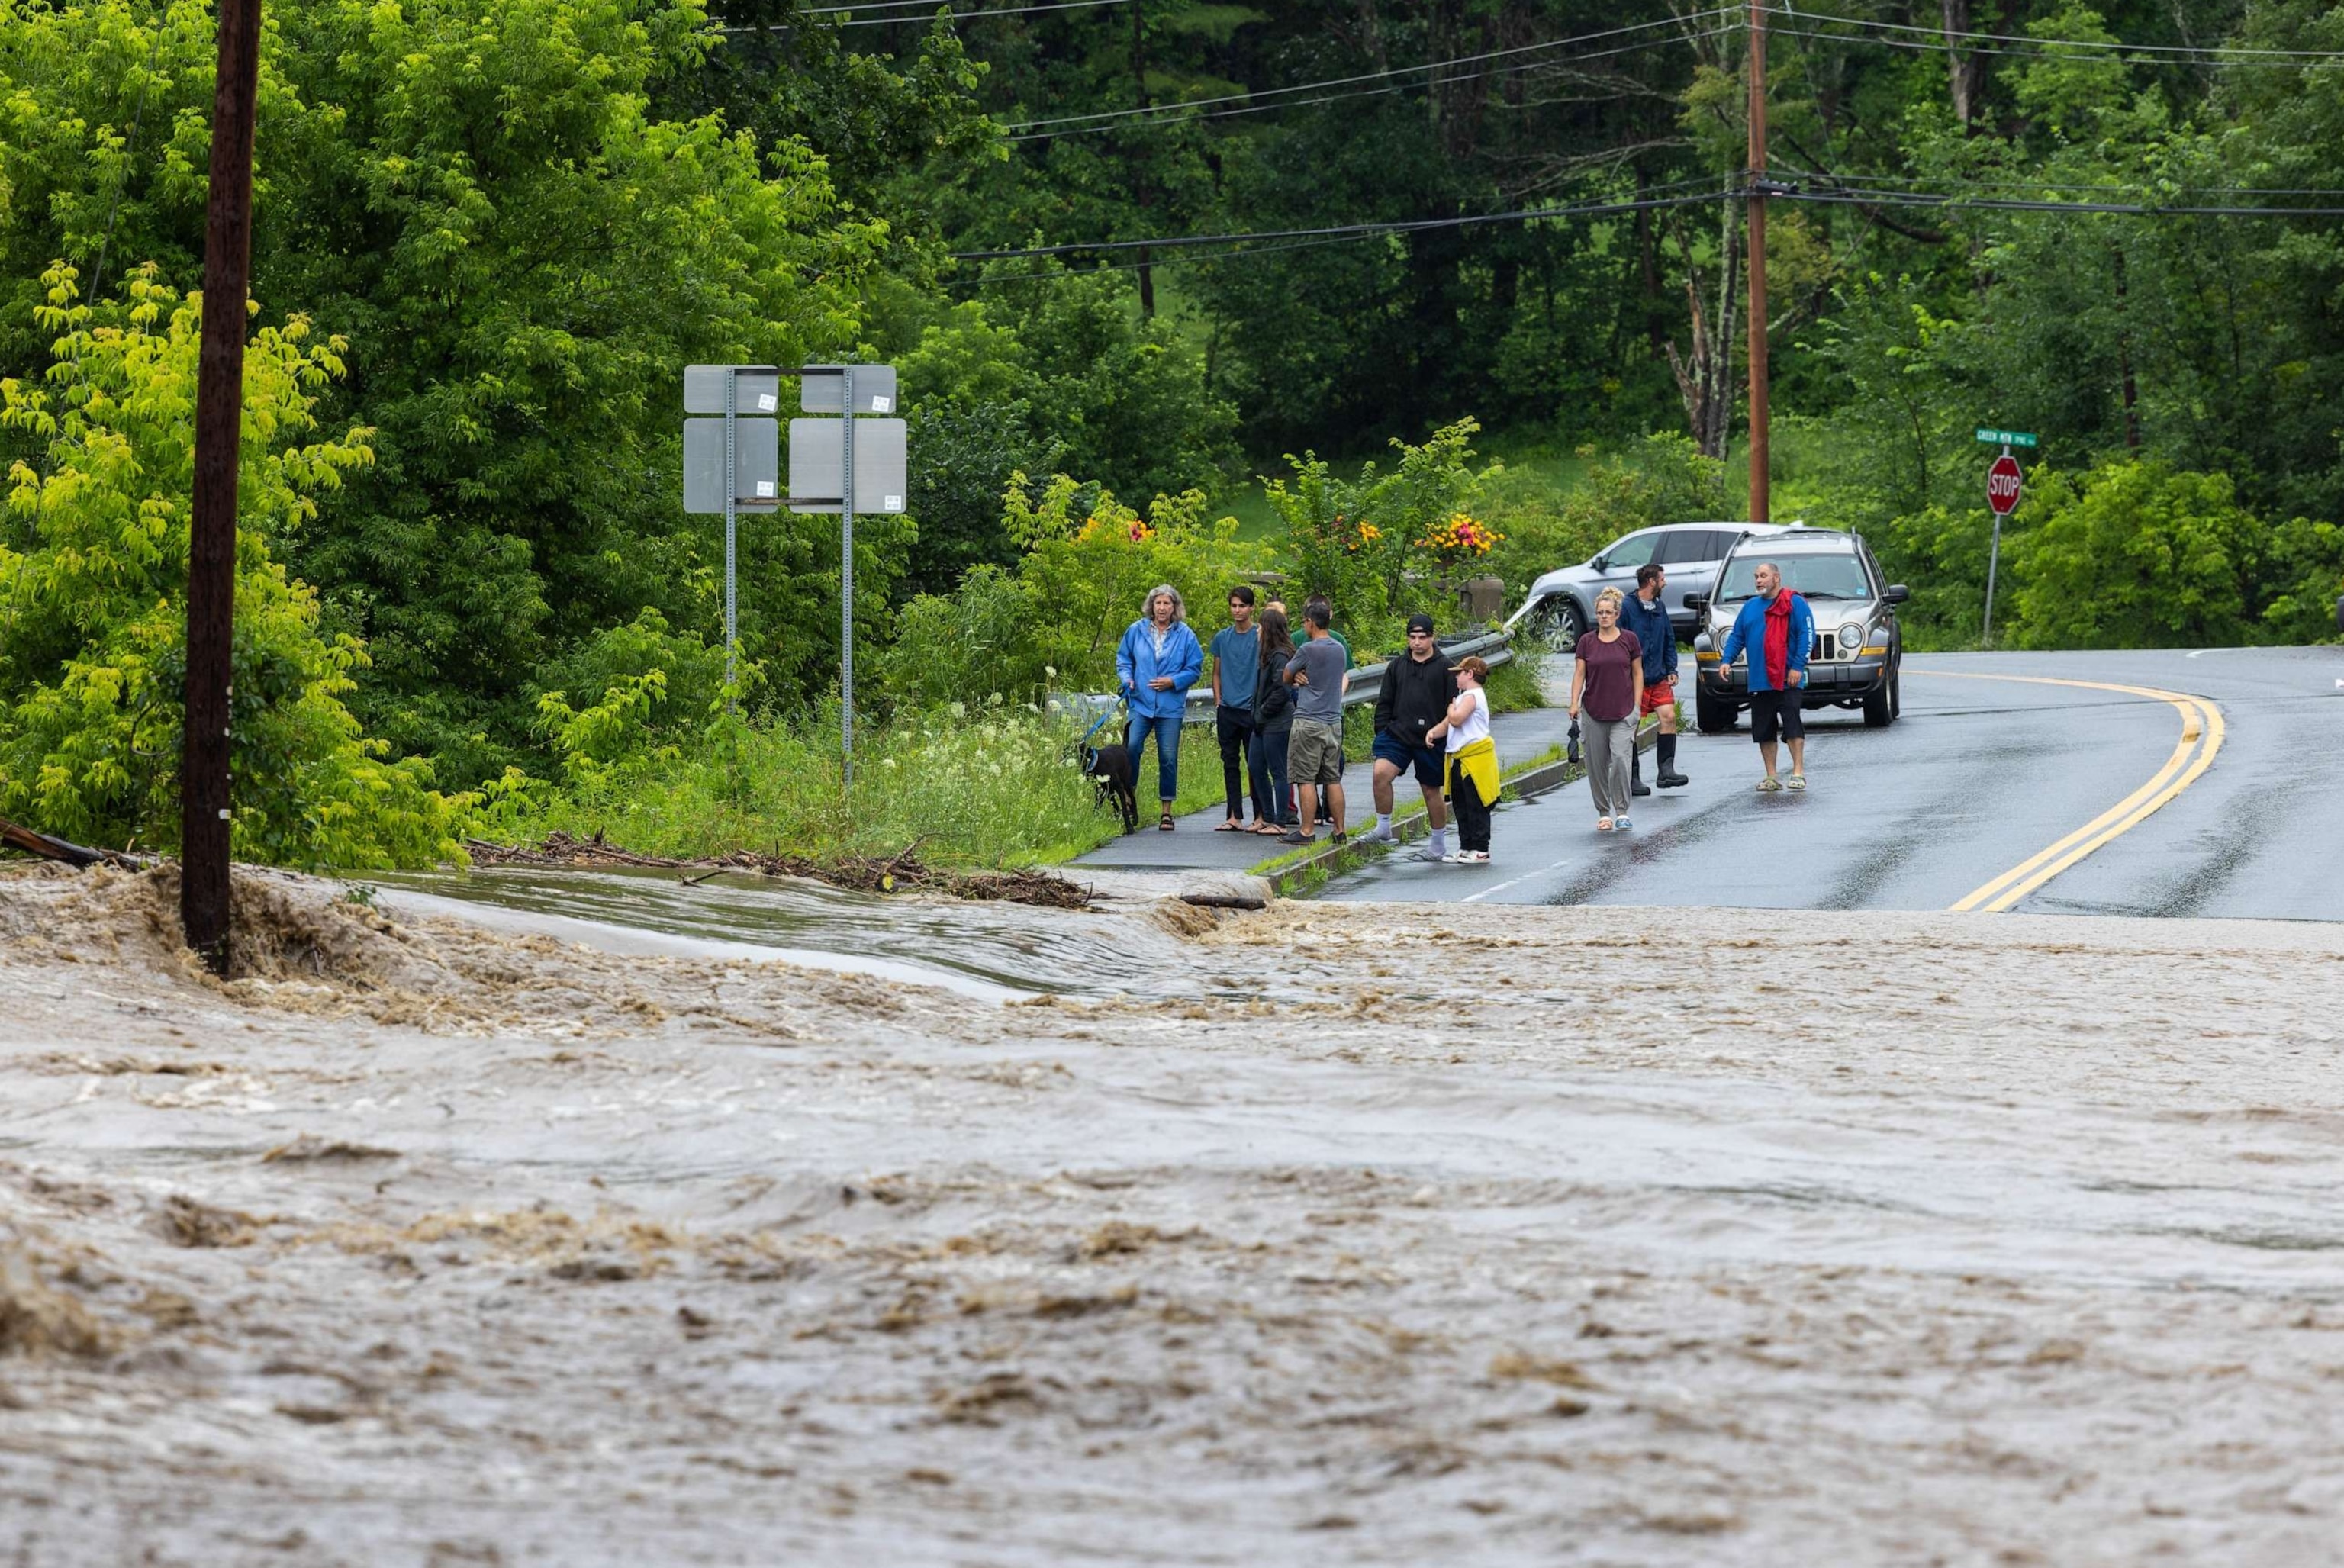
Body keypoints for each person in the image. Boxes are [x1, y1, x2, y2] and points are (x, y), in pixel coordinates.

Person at [1364, 613, 1457, 861]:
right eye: (1413, 637)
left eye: (1422, 637)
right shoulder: (1397, 666)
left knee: (1430, 790)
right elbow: (1384, 702)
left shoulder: (1446, 667)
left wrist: (1442, 733)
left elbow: (1454, 706)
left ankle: (1437, 845)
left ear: (1432, 637)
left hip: (1431, 738)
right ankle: (1383, 828)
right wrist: (1382, 731)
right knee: (1380, 774)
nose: (1417, 642)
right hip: (1398, 734)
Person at [1716, 561, 1813, 792]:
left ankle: (1798, 772)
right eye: (1756, 576)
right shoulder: (1750, 607)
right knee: (1763, 729)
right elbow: (1737, 636)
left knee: (1792, 725)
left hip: (1787, 678)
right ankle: (1771, 776)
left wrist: (1797, 666)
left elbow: (1807, 636)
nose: (1758, 580)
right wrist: (1727, 660)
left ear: (1776, 578)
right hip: (1760, 679)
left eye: (1763, 576)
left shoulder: (1795, 603)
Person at [1114, 583, 1203, 830]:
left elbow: (1195, 668)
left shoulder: (1185, 635)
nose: (1162, 608)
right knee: (1131, 750)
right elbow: (1123, 659)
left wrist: (1173, 681)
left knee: (1167, 757)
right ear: (1151, 606)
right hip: (1140, 703)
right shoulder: (1136, 630)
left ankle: (1167, 810)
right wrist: (1127, 679)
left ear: (1175, 607)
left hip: (1170, 706)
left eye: (1167, 603)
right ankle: (1129, 802)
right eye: (1158, 603)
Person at [1567, 586, 1644, 831]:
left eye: (1608, 612)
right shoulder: (1587, 642)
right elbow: (1580, 674)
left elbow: (1637, 673)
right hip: (1593, 710)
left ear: (1617, 614)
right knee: (1596, 764)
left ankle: (1622, 810)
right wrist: (1574, 702)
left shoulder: (1629, 639)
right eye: (1600, 613)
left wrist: (1637, 706)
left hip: (1623, 710)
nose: (1604, 616)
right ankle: (1603, 812)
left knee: (1621, 758)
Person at [1278, 597, 1349, 844]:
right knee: (1332, 778)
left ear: (1310, 622)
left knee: (1304, 778)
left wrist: (1296, 675)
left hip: (1308, 720)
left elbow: (1286, 675)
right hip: (1333, 721)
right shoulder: (1339, 649)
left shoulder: (1308, 649)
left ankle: (1307, 831)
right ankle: (1339, 830)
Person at [1620, 562, 1687, 794]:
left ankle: (1666, 771)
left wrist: (1672, 669)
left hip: (1658, 675)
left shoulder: (1660, 607)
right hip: (1634, 679)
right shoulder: (1627, 607)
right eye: (1662, 578)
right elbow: (1620, 641)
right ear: (1652, 582)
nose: (1665, 582)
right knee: (1631, 726)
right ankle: (1632, 777)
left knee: (1668, 716)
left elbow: (1669, 638)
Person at [1426, 655, 1497, 864]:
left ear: (1470, 674)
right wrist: (1433, 732)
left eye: (1459, 673)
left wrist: (1450, 709)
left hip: (1474, 757)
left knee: (1476, 803)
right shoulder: (1462, 697)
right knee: (1461, 803)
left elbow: (1455, 720)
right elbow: (1447, 724)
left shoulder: (1472, 696)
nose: (1456, 677)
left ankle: (1481, 848)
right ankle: (1466, 846)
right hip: (1459, 756)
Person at [1209, 586, 1265, 831]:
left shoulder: (1260, 636)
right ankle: (1234, 815)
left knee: (1255, 764)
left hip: (1252, 710)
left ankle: (1261, 815)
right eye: (1233, 605)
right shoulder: (1222, 637)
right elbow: (1216, 672)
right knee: (1229, 763)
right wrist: (1219, 700)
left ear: (1252, 608)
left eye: (1242, 606)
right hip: (1228, 710)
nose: (1237, 610)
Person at [1249, 607, 1299, 834]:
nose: (1258, 630)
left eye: (1260, 626)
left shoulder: (1280, 655)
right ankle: (1267, 816)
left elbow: (1282, 690)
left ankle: (1280, 821)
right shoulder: (1267, 654)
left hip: (1277, 721)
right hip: (1263, 722)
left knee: (1278, 770)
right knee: (1255, 766)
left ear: (1268, 629)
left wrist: (1262, 712)